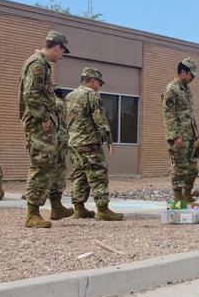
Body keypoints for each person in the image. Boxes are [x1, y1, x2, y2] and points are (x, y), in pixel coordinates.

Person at [19, 30, 70, 228]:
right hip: (39, 123)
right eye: (62, 52)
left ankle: (55, 207)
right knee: (41, 166)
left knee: (50, 164)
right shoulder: (38, 63)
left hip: (40, 125)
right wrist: (43, 117)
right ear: (57, 46)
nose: (61, 56)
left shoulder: (40, 63)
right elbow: (31, 94)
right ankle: (32, 214)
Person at [66, 67, 123, 221]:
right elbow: (100, 119)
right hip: (89, 142)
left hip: (74, 142)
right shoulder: (92, 95)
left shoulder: (69, 96)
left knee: (80, 174)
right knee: (99, 173)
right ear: (93, 80)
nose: (100, 86)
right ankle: (103, 209)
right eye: (100, 83)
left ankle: (79, 209)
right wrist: (109, 139)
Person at [163, 57, 199, 204]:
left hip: (190, 136)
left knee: (192, 168)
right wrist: (175, 136)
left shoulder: (187, 89)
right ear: (183, 72)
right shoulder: (171, 90)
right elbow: (169, 115)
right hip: (178, 137)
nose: (193, 78)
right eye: (191, 75)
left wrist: (196, 133)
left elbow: (190, 114)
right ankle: (178, 197)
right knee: (180, 168)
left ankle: (187, 194)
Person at [46, 87, 74, 221]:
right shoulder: (65, 105)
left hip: (57, 140)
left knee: (57, 170)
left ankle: (56, 207)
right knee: (59, 169)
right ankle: (56, 206)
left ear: (53, 94)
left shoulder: (56, 105)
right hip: (62, 139)